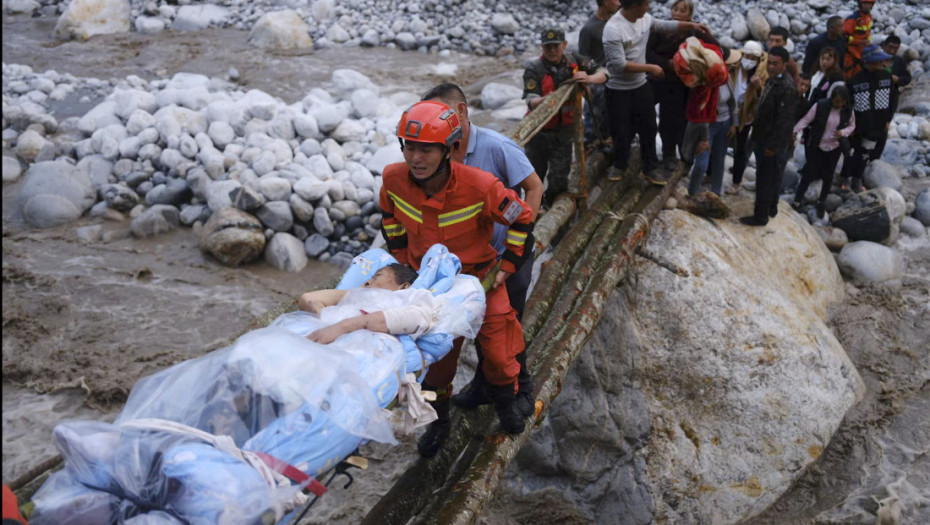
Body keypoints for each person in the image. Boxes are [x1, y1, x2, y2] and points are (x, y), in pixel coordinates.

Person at [380, 100, 536, 456]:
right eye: (409, 147)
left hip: (480, 280)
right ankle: (440, 421)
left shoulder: (480, 186)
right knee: (436, 364)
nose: (415, 158)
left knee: (499, 351)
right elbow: (389, 218)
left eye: (425, 149)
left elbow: (522, 218)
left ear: (450, 149)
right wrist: (403, 262)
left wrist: (507, 269)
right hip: (430, 288)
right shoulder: (393, 180)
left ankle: (506, 402)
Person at [420, 82, 540, 427]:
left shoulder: (497, 147)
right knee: (462, 330)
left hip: (505, 258)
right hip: (462, 265)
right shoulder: (435, 149)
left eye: (440, 114)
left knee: (508, 325)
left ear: (460, 112)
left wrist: (522, 241)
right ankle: (481, 387)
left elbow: (534, 186)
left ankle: (522, 390)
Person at [602, 0, 710, 185]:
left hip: (640, 84)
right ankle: (619, 165)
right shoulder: (613, 28)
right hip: (618, 88)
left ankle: (650, 167)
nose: (649, 8)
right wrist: (651, 68)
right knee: (622, 129)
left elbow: (663, 24)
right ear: (634, 6)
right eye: (645, 4)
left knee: (649, 127)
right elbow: (618, 65)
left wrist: (692, 25)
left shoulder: (644, 18)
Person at [523, 27, 607, 207]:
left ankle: (552, 207)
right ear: (542, 48)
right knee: (533, 179)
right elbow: (530, 99)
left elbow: (604, 72)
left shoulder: (575, 60)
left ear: (564, 45)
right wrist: (548, 101)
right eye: (548, 47)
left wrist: (589, 79)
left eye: (556, 46)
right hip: (539, 133)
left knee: (559, 179)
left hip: (564, 133)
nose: (552, 51)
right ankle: (531, 214)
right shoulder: (533, 69)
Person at [740, 46, 797, 227]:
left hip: (770, 142)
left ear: (784, 65)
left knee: (766, 179)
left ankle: (760, 216)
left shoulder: (786, 88)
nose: (771, 67)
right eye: (769, 63)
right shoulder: (773, 81)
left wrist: (772, 146)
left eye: (775, 64)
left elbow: (784, 122)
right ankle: (771, 207)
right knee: (771, 177)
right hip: (763, 137)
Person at [792, 84, 856, 217]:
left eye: (841, 102)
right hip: (817, 145)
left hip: (834, 147)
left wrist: (842, 132)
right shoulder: (820, 105)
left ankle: (822, 202)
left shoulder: (848, 111)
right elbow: (806, 120)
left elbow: (852, 126)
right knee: (808, 174)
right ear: (831, 98)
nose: (838, 104)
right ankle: (797, 201)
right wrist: (795, 130)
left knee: (828, 176)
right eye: (836, 101)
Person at [646, 0, 695, 170]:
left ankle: (683, 156)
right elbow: (647, 53)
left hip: (681, 84)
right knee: (661, 119)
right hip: (659, 78)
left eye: (683, 10)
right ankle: (667, 155)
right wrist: (667, 63)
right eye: (675, 9)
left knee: (679, 120)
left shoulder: (692, 32)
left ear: (689, 15)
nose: (678, 13)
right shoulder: (660, 29)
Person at [685, 45, 738, 197]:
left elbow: (732, 103)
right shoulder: (704, 84)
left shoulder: (726, 78)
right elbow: (701, 114)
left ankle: (716, 192)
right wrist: (705, 138)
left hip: (725, 123)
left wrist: (734, 123)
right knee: (702, 162)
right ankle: (693, 192)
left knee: (719, 160)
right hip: (707, 126)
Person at [846, 44, 894, 193]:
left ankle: (868, 178)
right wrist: (850, 124)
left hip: (880, 124)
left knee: (875, 152)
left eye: (882, 61)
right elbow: (849, 105)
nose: (882, 64)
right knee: (858, 153)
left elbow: (893, 100)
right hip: (861, 125)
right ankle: (852, 179)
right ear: (869, 62)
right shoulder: (855, 81)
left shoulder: (887, 77)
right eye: (878, 61)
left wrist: (888, 119)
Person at [726, 40, 767, 195]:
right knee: (719, 143)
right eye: (747, 56)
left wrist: (758, 87)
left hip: (745, 117)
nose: (749, 60)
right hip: (727, 111)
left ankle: (736, 182)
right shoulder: (733, 67)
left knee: (740, 149)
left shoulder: (760, 75)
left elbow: (762, 99)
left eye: (753, 58)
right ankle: (710, 173)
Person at [578, 0, 620, 145]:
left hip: (616, 78)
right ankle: (590, 147)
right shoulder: (589, 28)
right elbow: (582, 58)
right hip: (597, 81)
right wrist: (586, 84)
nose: (619, 3)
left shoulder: (617, 22)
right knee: (594, 118)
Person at [844, 0, 875, 79]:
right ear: (860, 4)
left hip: (862, 53)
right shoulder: (853, 19)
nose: (866, 6)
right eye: (865, 3)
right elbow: (844, 37)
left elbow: (868, 33)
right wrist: (859, 42)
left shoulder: (869, 18)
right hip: (850, 53)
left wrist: (868, 41)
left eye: (869, 4)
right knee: (848, 75)